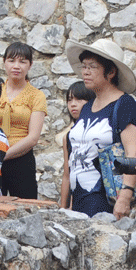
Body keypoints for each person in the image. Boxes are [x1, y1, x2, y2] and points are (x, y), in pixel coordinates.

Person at [64, 38, 136, 219]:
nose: (85, 72)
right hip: (79, 195)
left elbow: (134, 153)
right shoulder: (87, 107)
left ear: (110, 72)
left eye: (92, 66)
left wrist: (125, 197)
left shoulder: (125, 104)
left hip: (106, 199)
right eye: (84, 66)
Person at [0, 42, 48, 200]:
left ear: (30, 65)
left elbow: (33, 138)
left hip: (21, 160)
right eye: (11, 60)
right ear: (4, 62)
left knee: (26, 208)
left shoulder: (36, 96)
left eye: (22, 61)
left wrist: (2, 156)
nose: (16, 66)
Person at [58, 80, 94, 209]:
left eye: (79, 99)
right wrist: (63, 208)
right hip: (77, 199)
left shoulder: (99, 134)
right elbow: (67, 175)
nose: (73, 104)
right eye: (69, 100)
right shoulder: (68, 137)